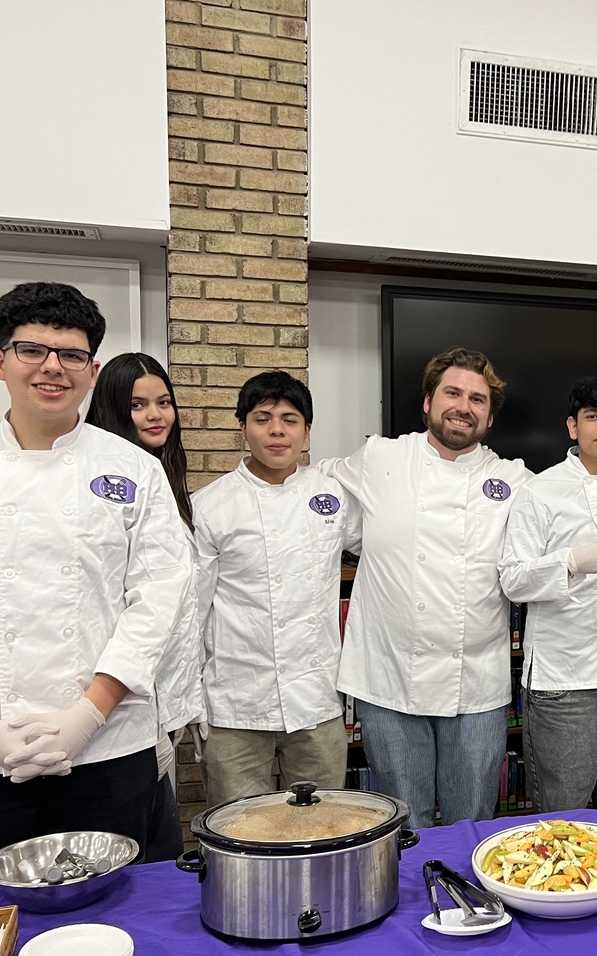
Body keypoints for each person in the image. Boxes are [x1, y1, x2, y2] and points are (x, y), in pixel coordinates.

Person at [0, 282, 192, 886]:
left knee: (120, 916)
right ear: (0, 361)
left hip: (106, 745)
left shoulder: (134, 469)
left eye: (71, 355)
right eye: (32, 350)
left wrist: (86, 715)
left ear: (91, 370)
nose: (53, 367)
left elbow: (157, 601)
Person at [319, 349, 531, 829]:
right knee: (401, 826)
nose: (464, 406)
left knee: (473, 823)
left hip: (475, 685)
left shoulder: (513, 479)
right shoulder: (380, 457)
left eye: (478, 399)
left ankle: (472, 906)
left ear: (490, 415)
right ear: (427, 402)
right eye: (452, 393)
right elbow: (310, 496)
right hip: (390, 679)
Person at [193, 372, 361, 807]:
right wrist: (189, 700)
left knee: (323, 829)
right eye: (262, 418)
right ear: (243, 426)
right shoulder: (211, 506)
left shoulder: (334, 497)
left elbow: (384, 549)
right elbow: (190, 613)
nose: (276, 431)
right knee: (238, 834)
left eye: (290, 419)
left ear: (307, 430)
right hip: (235, 700)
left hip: (316, 698)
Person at [85, 352, 201, 859]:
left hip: (159, 701)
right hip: (114, 696)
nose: (156, 415)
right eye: (138, 405)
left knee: (154, 834)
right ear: (112, 408)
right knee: (128, 847)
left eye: (164, 402)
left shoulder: (165, 478)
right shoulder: (102, 480)